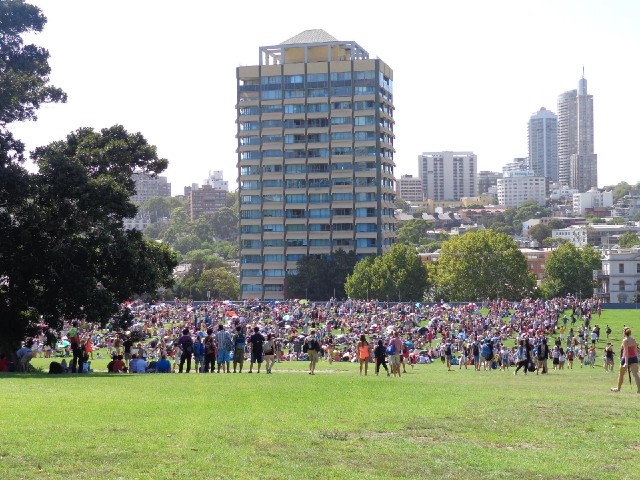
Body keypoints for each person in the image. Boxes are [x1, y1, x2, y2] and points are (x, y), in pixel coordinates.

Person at [611, 327, 640, 394]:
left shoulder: (625, 340)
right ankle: (639, 390)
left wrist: (626, 363)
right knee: (636, 374)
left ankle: (618, 389)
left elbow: (626, 352)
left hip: (626, 358)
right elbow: (635, 350)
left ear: (624, 333)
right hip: (634, 358)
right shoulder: (633, 340)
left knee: (621, 374)